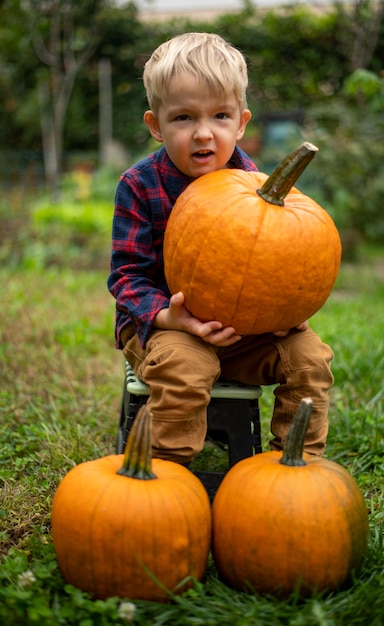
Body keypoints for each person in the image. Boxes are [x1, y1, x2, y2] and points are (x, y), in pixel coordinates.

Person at [108, 32, 334, 464]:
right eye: (184, 118)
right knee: (186, 366)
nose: (203, 133)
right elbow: (126, 276)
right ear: (156, 124)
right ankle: (168, 472)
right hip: (165, 328)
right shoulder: (139, 186)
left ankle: (296, 466)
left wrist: (284, 313)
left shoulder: (259, 188)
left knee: (308, 359)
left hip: (245, 335)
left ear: (241, 122)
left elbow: (284, 266)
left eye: (220, 116)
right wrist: (168, 316)